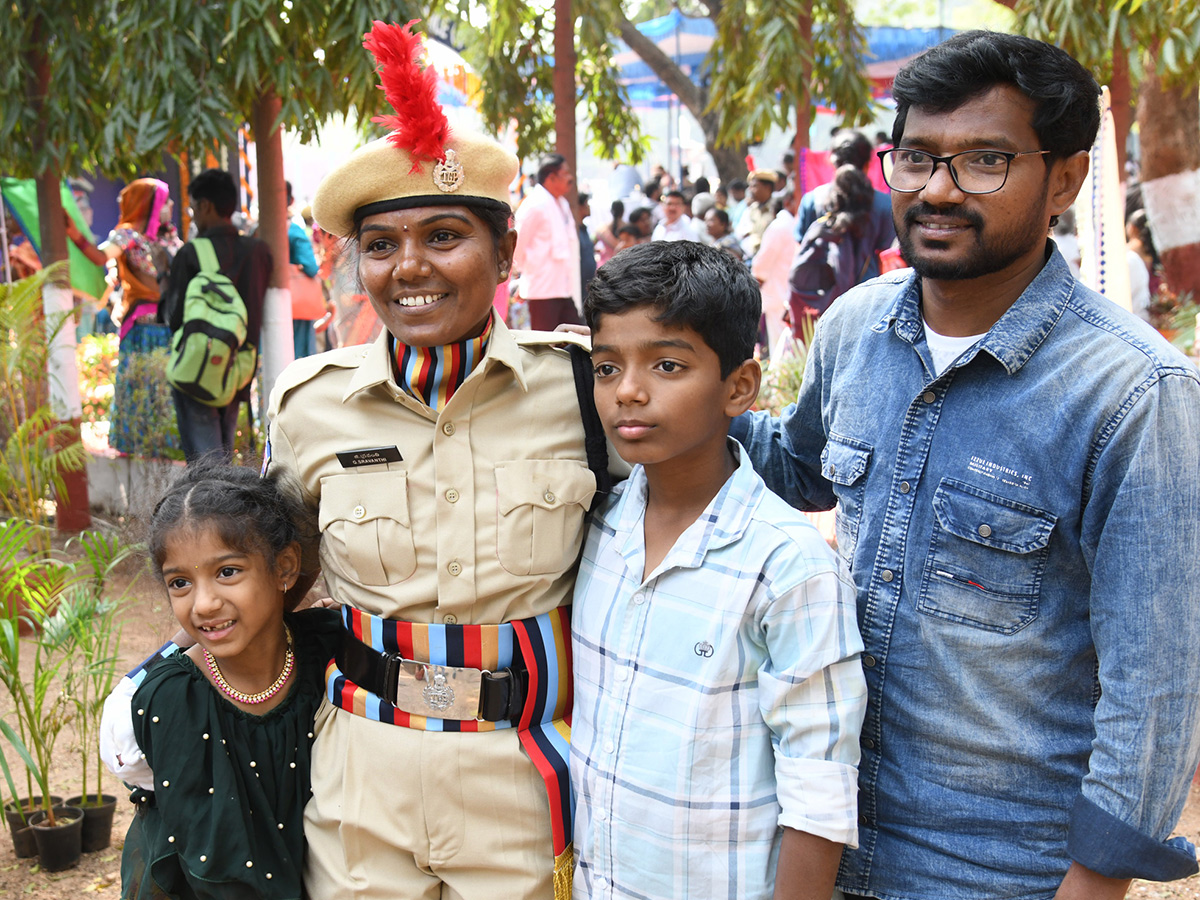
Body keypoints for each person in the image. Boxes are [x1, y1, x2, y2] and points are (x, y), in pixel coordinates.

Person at [731, 30, 1200, 900]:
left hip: (999, 871)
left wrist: (1092, 886)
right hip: (823, 835)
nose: (937, 190)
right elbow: (797, 471)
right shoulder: (856, 330)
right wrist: (626, 396)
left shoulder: (1136, 394)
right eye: (914, 158)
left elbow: (1158, 689)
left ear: (1064, 177)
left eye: (985, 160)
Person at [265, 21, 624, 899]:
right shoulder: (309, 405)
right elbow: (267, 573)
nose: (410, 267)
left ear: (504, 252)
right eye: (382, 245)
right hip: (361, 780)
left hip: (526, 777)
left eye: (444, 236)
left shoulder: (583, 392)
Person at [573, 240, 866, 899]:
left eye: (668, 365)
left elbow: (817, 790)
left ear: (739, 386)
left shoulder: (788, 567)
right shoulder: (592, 529)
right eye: (606, 366)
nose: (629, 391)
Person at [118, 463, 340, 900]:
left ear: (286, 567)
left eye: (227, 572)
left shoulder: (326, 650)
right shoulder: (174, 698)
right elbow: (216, 866)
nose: (204, 604)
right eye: (180, 582)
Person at [161, 169, 271, 464]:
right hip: (241, 365)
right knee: (224, 448)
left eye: (194, 208)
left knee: (205, 461)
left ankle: (208, 510)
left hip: (199, 363)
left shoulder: (192, 253)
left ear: (206, 206)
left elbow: (173, 317)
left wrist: (162, 275)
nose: (194, 215)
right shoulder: (259, 251)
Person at [66, 178, 177, 457]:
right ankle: (136, 446)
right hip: (142, 327)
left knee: (166, 389)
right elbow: (98, 256)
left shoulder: (168, 237)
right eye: (164, 201)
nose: (171, 205)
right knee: (141, 386)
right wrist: (72, 232)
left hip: (170, 325)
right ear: (146, 205)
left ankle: (167, 446)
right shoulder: (126, 236)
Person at [796, 130, 895, 283]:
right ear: (868, 163)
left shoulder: (812, 200)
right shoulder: (885, 205)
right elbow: (887, 255)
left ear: (831, 160)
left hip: (822, 294)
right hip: (868, 295)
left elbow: (802, 246)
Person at [513, 153, 583, 330]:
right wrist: (524, 276)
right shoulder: (534, 205)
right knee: (545, 345)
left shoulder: (562, 204)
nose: (570, 178)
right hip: (541, 290)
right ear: (551, 178)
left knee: (576, 338)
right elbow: (517, 245)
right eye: (565, 173)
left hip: (564, 288)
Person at [751, 188, 800, 354]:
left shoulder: (789, 224)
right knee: (781, 347)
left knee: (784, 348)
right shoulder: (780, 226)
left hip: (783, 295)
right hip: (778, 295)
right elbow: (761, 265)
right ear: (787, 203)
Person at [287, 180, 321, 359]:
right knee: (299, 353)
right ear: (290, 199)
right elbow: (311, 267)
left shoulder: (258, 230)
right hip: (295, 304)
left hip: (268, 303)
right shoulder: (294, 232)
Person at [735, 170, 778, 258]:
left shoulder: (777, 208)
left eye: (754, 186)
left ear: (767, 187)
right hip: (751, 257)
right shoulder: (751, 209)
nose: (750, 190)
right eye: (750, 186)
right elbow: (739, 233)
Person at [576, 192, 598, 294]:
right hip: (580, 287)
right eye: (586, 204)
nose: (588, 207)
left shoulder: (584, 229)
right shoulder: (575, 232)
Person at [594, 199, 626, 265]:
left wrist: (600, 251)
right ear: (623, 212)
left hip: (604, 265)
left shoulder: (601, 229)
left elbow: (590, 244)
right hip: (622, 264)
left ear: (611, 211)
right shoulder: (628, 229)